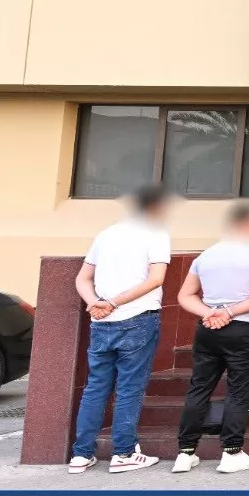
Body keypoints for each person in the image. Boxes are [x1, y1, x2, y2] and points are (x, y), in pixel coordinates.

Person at [68, 185, 172, 474]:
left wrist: (95, 303)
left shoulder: (106, 234)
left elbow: (82, 278)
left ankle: (81, 455)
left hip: (101, 322)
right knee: (129, 388)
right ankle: (124, 453)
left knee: (95, 387)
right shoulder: (157, 233)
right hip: (138, 318)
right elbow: (156, 279)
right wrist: (112, 303)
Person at [172, 200, 249, 474]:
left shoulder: (205, 256)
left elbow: (184, 295)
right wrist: (229, 312)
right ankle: (232, 452)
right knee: (238, 392)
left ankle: (185, 452)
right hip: (245, 330)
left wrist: (210, 313)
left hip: (208, 330)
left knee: (199, 388)